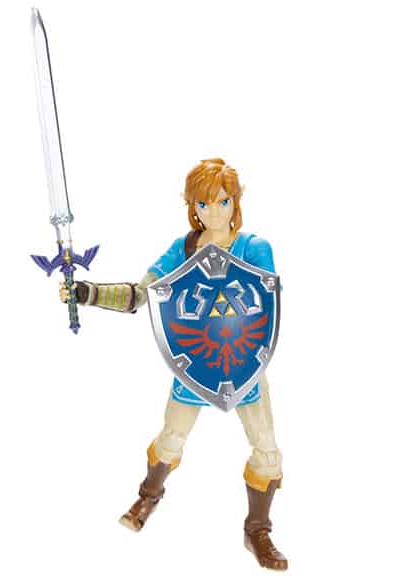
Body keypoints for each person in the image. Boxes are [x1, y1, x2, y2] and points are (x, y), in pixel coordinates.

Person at [59, 158, 288, 571]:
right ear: (192, 206)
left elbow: (263, 298)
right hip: (197, 366)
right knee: (170, 440)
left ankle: (257, 530)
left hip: (243, 367)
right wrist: (88, 293)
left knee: (268, 453)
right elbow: (140, 295)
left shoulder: (254, 248)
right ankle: (148, 497)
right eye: (204, 203)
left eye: (222, 202)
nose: (213, 212)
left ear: (235, 202)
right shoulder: (183, 250)